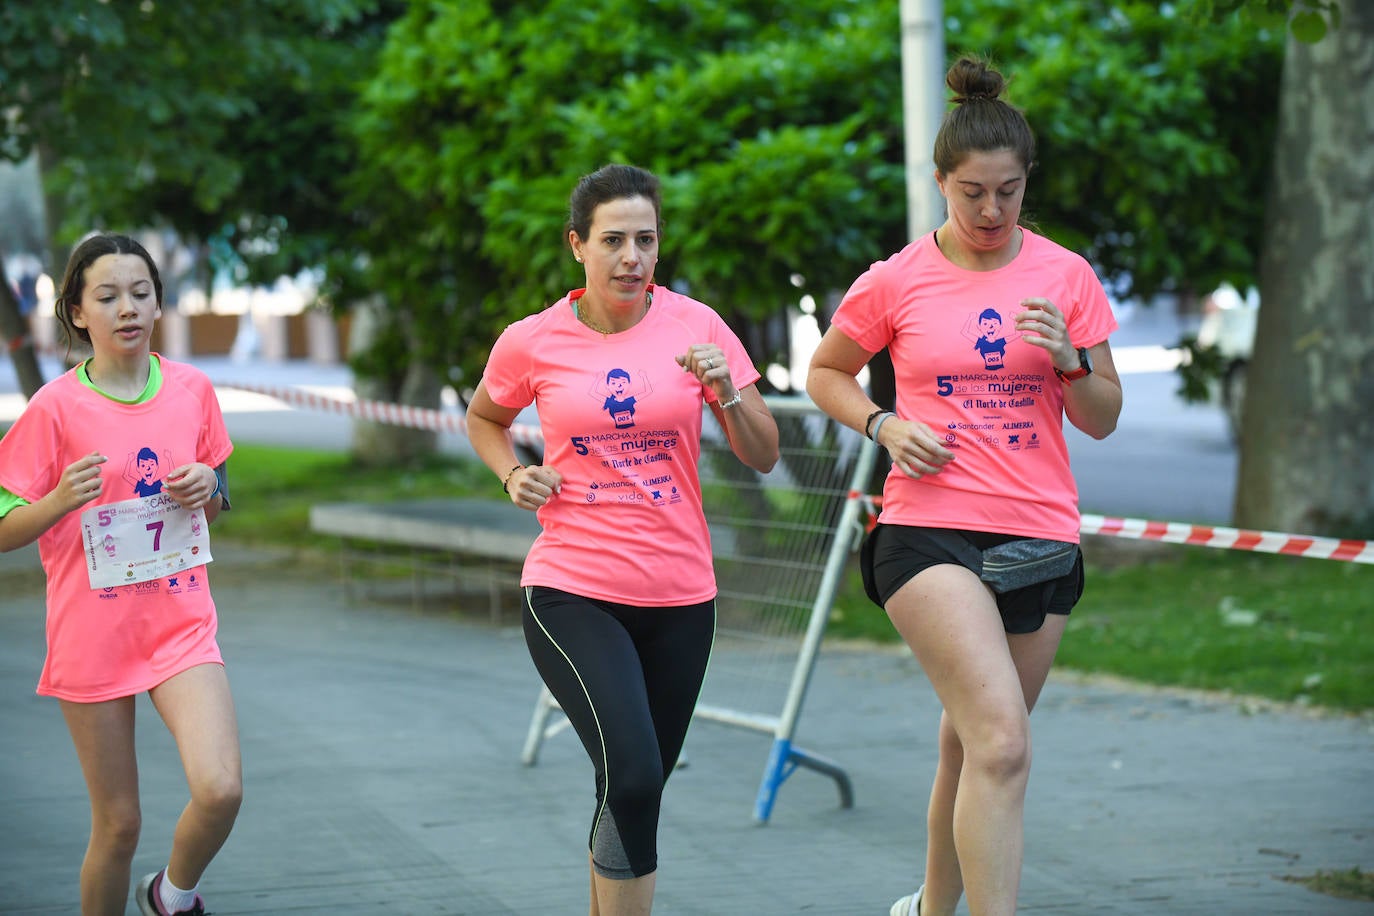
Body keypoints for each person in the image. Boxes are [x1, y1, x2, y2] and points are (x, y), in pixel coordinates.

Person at [806, 56, 1123, 916]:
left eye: (1009, 192)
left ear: (1027, 185)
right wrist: (881, 423)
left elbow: (1102, 416)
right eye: (972, 192)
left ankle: (928, 911)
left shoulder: (1066, 277)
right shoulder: (896, 279)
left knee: (971, 748)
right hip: (928, 531)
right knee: (1004, 742)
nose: (990, 212)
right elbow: (826, 371)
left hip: (1038, 536)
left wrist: (1067, 360)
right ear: (940, 180)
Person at [465, 163, 779, 916]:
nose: (631, 257)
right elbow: (485, 417)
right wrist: (513, 475)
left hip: (681, 595)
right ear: (578, 246)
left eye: (645, 239)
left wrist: (726, 392)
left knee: (633, 793)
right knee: (634, 775)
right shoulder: (532, 340)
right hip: (572, 589)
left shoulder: (697, 327)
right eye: (613, 240)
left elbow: (763, 453)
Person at [0, 233, 242, 916]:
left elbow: (218, 497)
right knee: (119, 825)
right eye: (107, 296)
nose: (127, 308)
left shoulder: (193, 390)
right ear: (78, 312)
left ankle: (172, 893)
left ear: (159, 303)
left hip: (181, 627)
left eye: (140, 293)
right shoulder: (55, 407)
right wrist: (56, 502)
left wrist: (207, 488)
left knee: (221, 787)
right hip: (93, 636)